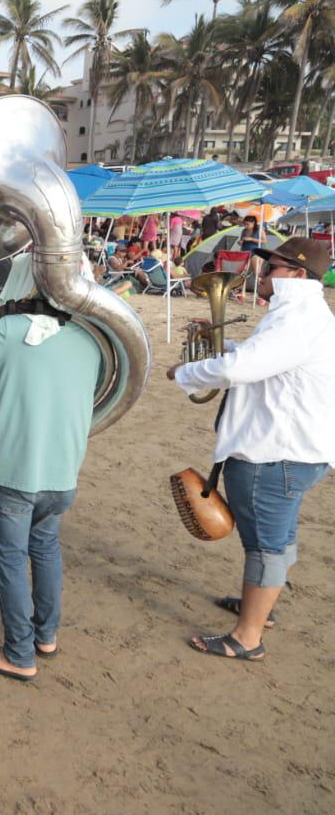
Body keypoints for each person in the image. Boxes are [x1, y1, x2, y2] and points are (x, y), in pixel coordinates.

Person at [0, 252, 101, 682]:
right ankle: (46, 636)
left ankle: (18, 655)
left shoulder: (10, 331)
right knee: (45, 549)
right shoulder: (90, 340)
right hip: (62, 473)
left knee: (10, 561)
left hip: (11, 472)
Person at [169, 237, 335, 661]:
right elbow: (259, 357)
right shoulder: (299, 313)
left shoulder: (296, 317)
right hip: (292, 450)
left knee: (265, 545)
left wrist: (187, 370)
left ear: (298, 275)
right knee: (279, 536)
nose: (263, 273)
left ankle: (247, 637)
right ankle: (262, 609)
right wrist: (219, 346)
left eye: (272, 267)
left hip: (276, 452)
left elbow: (242, 368)